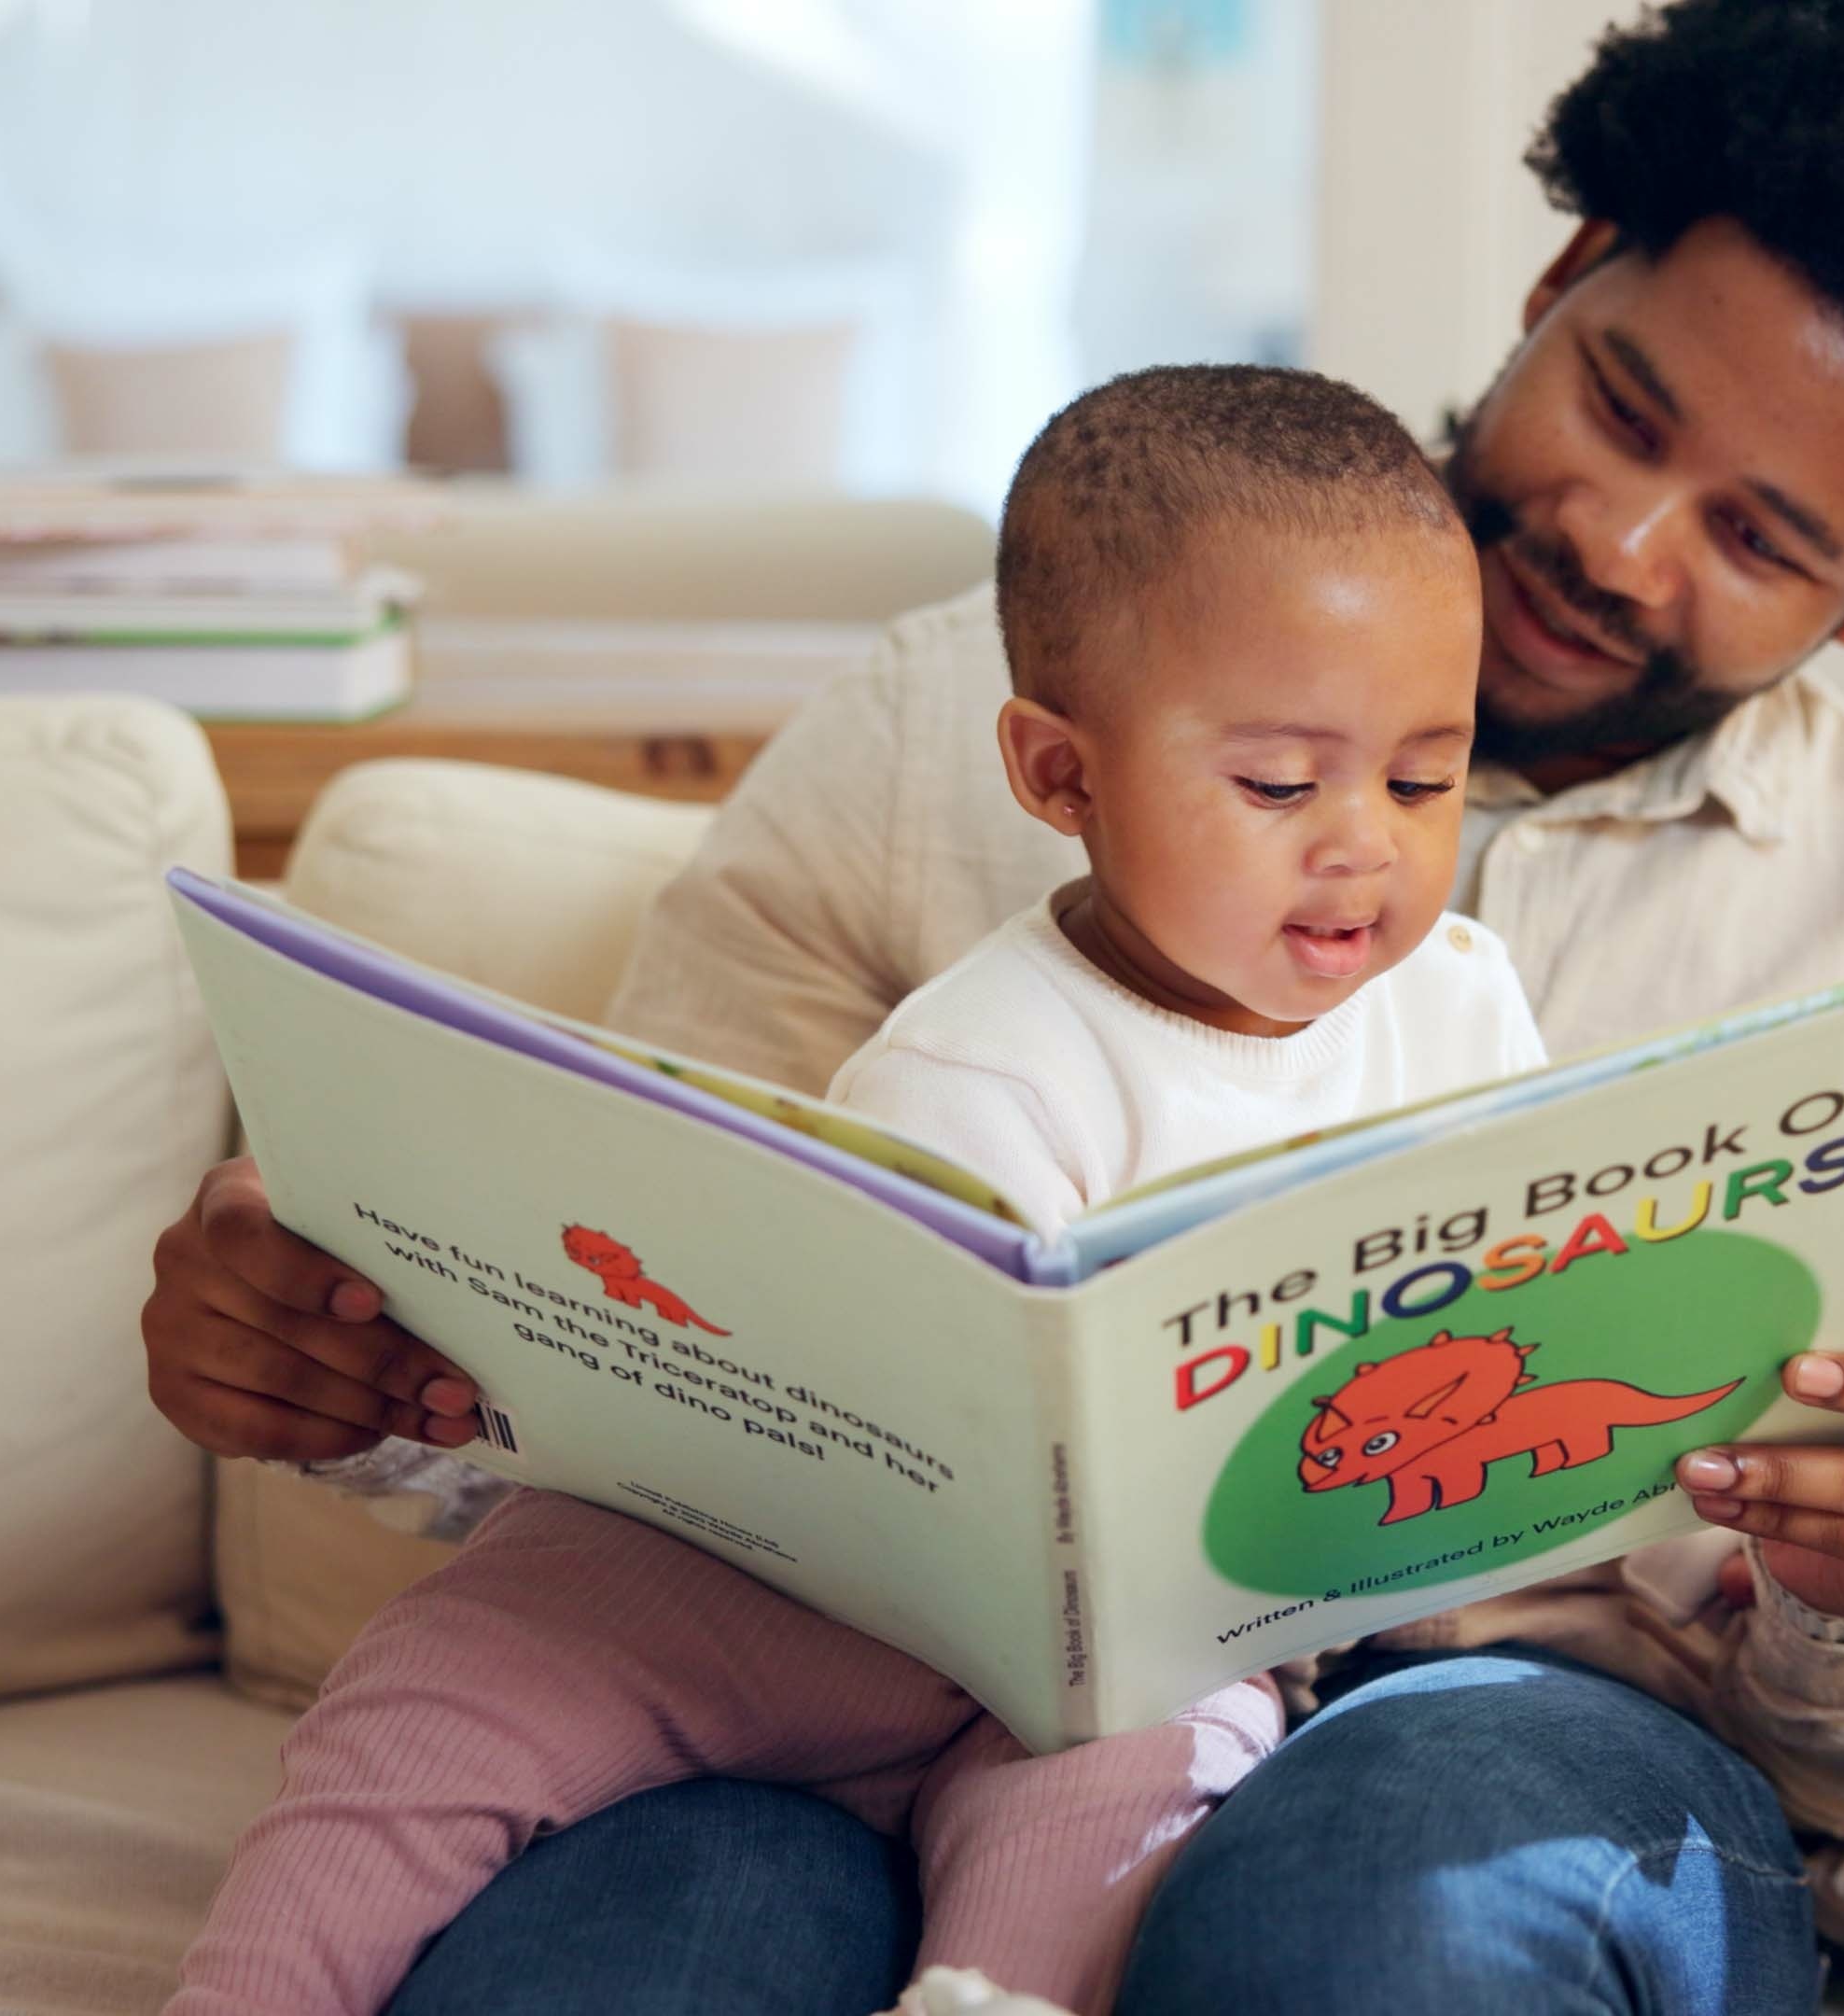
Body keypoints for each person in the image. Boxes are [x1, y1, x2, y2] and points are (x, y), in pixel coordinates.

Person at [139, 1, 1844, 2007]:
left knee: (1379, 1914)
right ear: (1563, 277)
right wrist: (360, 1358)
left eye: (1755, 535)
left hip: (1517, 1721)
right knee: (656, 1938)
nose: (1615, 540)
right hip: (874, 1683)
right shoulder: (965, 707)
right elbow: (665, 1347)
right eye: (1625, 412)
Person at [168, 367, 1543, 2016]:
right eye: (1277, 786)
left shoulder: (1465, 1014)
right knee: (449, 1687)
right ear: (1060, 775)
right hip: (805, 1603)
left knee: (1143, 1801)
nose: (1364, 849)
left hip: (1135, 1660)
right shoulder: (976, 1062)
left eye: (1422, 778)